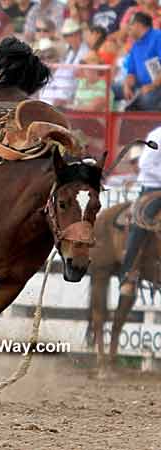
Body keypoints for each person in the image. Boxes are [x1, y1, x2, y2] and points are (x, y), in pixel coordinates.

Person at [118, 125, 161, 298]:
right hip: (154, 188)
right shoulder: (157, 135)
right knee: (141, 222)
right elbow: (145, 164)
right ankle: (127, 273)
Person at [119, 12, 161, 111]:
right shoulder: (135, 44)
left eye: (130, 24)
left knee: (145, 100)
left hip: (157, 85)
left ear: (138, 25)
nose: (128, 28)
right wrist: (127, 85)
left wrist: (152, 86)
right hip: (141, 86)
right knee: (112, 88)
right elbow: (131, 72)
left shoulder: (158, 37)